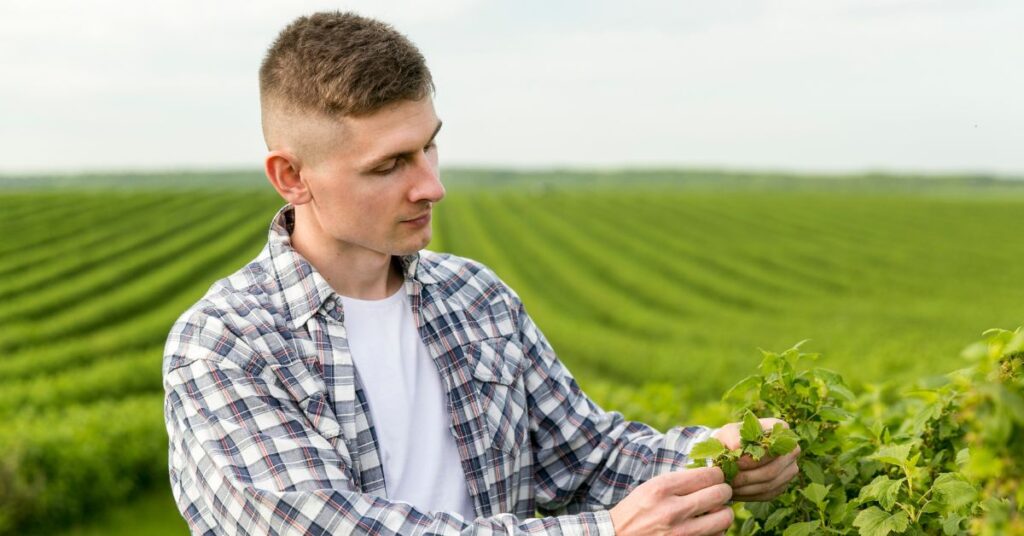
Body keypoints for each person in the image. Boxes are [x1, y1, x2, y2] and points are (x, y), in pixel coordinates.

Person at [162, 11, 800, 535]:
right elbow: (335, 527)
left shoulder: (476, 298)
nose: (431, 186)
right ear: (291, 177)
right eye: (389, 165)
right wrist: (605, 533)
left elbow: (587, 456)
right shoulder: (225, 346)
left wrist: (718, 457)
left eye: (429, 146)